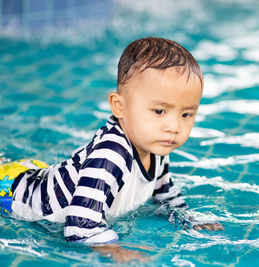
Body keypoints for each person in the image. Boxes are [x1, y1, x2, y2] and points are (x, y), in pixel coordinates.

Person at [0, 37, 222, 263]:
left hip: (39, 176)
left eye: (186, 115)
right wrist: (114, 250)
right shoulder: (111, 155)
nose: (174, 127)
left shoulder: (155, 145)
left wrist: (187, 218)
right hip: (15, 194)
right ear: (119, 106)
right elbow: (80, 224)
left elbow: (165, 193)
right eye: (159, 111)